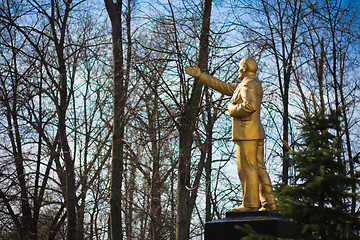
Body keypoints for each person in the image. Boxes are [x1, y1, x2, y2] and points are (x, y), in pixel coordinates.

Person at [185, 57, 276, 211]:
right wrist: (201, 76)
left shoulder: (248, 85)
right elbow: (224, 86)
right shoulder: (249, 83)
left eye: (240, 66)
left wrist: (231, 109)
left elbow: (250, 105)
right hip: (254, 132)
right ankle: (269, 203)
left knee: (247, 168)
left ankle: (249, 205)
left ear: (245, 67)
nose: (238, 69)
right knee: (259, 167)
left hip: (247, 133)